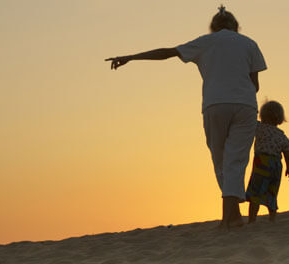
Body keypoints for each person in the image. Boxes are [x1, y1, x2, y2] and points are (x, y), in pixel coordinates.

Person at [105, 5, 267, 229]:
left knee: (221, 162)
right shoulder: (249, 43)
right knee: (236, 161)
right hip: (245, 105)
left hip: (215, 104)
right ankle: (233, 216)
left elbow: (167, 53)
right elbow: (255, 85)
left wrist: (131, 57)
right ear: (236, 26)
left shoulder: (205, 42)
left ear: (213, 27)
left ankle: (228, 218)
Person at [245, 100, 289, 223]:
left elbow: (248, 119)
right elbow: (287, 153)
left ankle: (252, 219)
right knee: (272, 192)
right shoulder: (282, 136)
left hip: (262, 162)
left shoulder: (259, 128)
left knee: (255, 192)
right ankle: (272, 218)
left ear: (262, 115)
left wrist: (251, 109)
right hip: (276, 165)